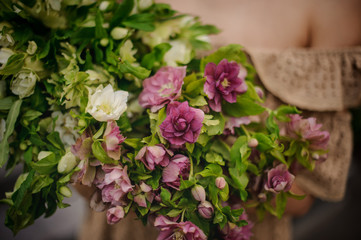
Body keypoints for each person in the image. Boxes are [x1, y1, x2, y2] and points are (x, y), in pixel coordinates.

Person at [78, 0, 361, 239]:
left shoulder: (332, 10)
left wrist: (232, 169)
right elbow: (81, 178)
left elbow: (302, 199)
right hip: (124, 227)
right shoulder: (115, 6)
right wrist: (103, 163)